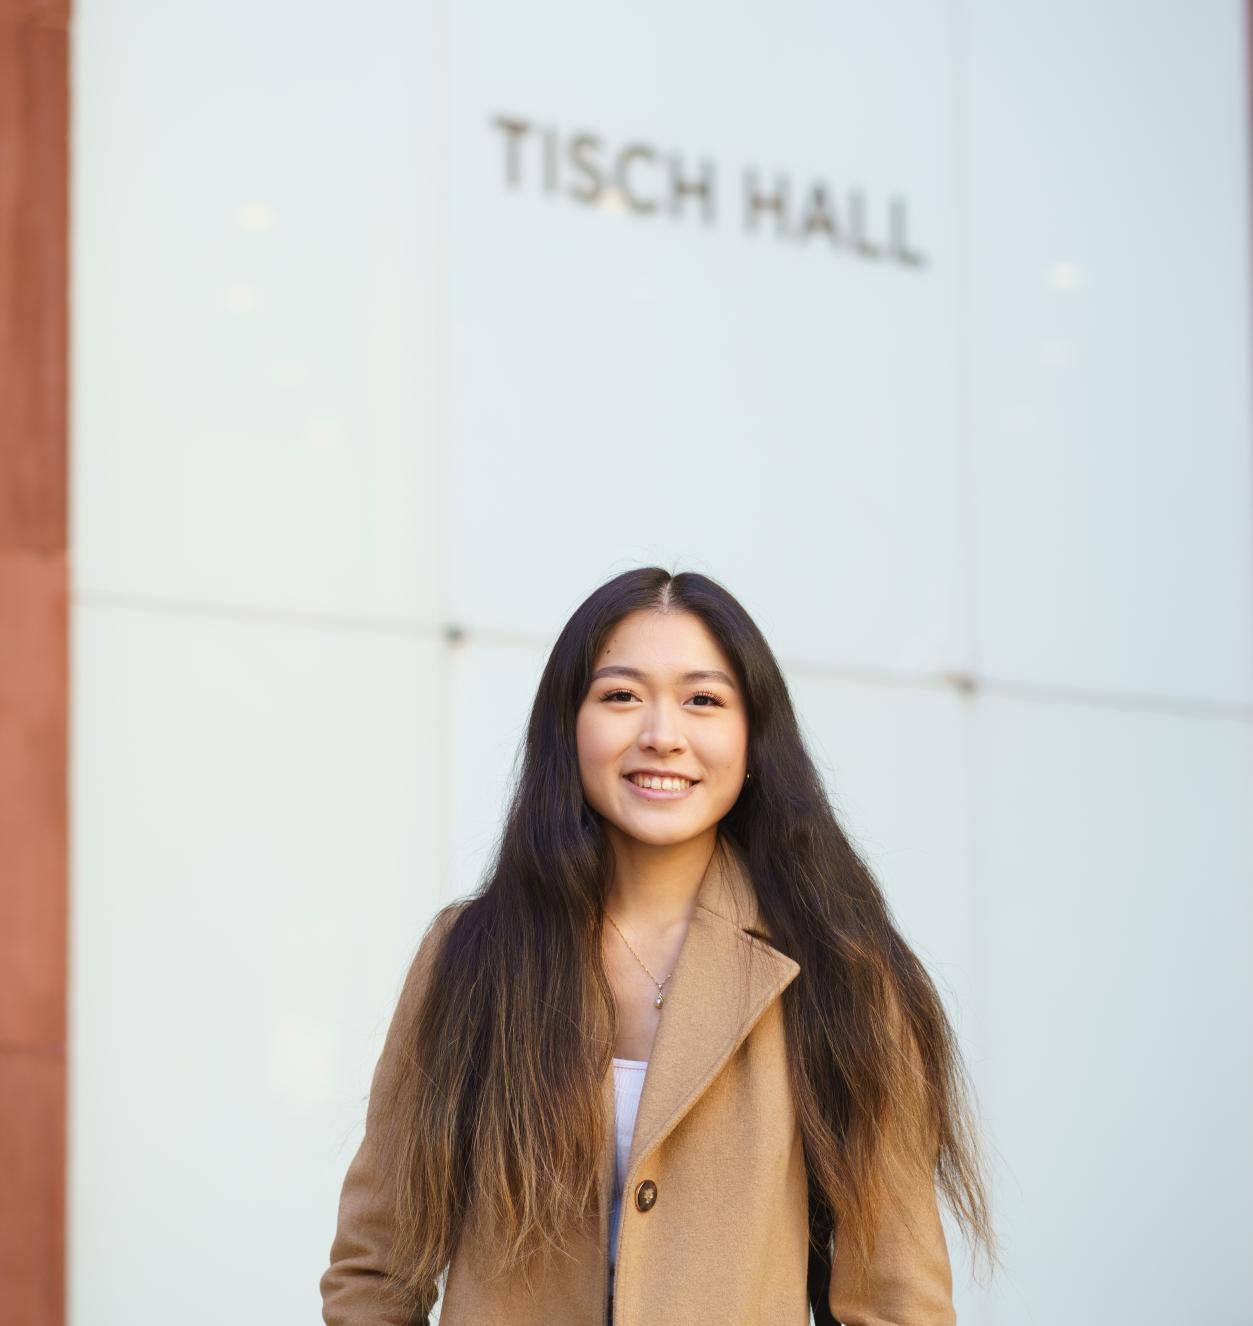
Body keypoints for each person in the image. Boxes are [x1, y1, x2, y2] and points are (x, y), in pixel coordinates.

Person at [320, 567, 997, 1325]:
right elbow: (374, 1271)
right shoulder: (469, 956)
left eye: (703, 700)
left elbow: (896, 1302)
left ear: (752, 741)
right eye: (621, 696)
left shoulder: (842, 976)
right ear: (566, 728)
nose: (661, 736)